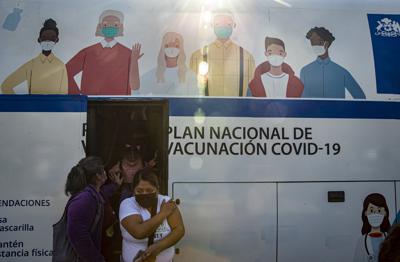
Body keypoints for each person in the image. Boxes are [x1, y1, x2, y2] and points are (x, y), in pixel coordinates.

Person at [66, 10, 142, 95]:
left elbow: (135, 87)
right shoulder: (87, 53)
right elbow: (65, 72)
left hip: (120, 104)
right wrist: (77, 95)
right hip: (92, 105)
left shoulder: (128, 54)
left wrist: (134, 61)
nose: (110, 27)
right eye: (106, 24)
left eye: (115, 25)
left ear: (120, 27)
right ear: (100, 26)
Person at [63, 156, 122, 262]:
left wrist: (115, 185)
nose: (106, 172)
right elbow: (78, 235)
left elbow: (103, 193)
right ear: (98, 176)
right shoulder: (84, 199)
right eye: (103, 170)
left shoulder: (94, 193)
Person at [119, 168, 185, 262]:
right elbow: (139, 232)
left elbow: (179, 230)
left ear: (157, 189)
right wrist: (163, 213)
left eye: (149, 190)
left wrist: (158, 248)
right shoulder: (127, 204)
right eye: (139, 191)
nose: (144, 193)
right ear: (133, 191)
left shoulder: (166, 201)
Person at [189, 9, 255, 97]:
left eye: (228, 24)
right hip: (206, 108)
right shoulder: (197, 56)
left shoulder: (247, 58)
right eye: (218, 24)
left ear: (234, 25)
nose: (223, 27)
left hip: (238, 109)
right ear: (212, 25)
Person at [1, 18, 68, 94]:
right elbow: (6, 85)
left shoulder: (60, 65)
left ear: (57, 40)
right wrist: (19, 104)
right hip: (33, 105)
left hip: (54, 105)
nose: (48, 40)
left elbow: (64, 95)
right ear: (39, 39)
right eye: (44, 37)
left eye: (52, 38)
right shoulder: (31, 65)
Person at [300, 27, 366, 99]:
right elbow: (300, 98)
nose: (315, 45)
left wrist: (345, 109)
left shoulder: (341, 72)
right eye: (313, 43)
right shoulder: (305, 71)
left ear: (326, 43)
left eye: (319, 42)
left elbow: (360, 97)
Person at [139, 32, 198, 96]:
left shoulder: (190, 76)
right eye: (167, 46)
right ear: (163, 48)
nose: (172, 49)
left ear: (181, 49)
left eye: (176, 46)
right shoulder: (152, 75)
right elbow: (137, 93)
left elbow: (194, 100)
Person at [353, 193, 391, 262]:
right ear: (365, 213)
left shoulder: (390, 238)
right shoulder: (362, 240)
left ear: (385, 213)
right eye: (371, 210)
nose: (375, 214)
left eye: (379, 211)